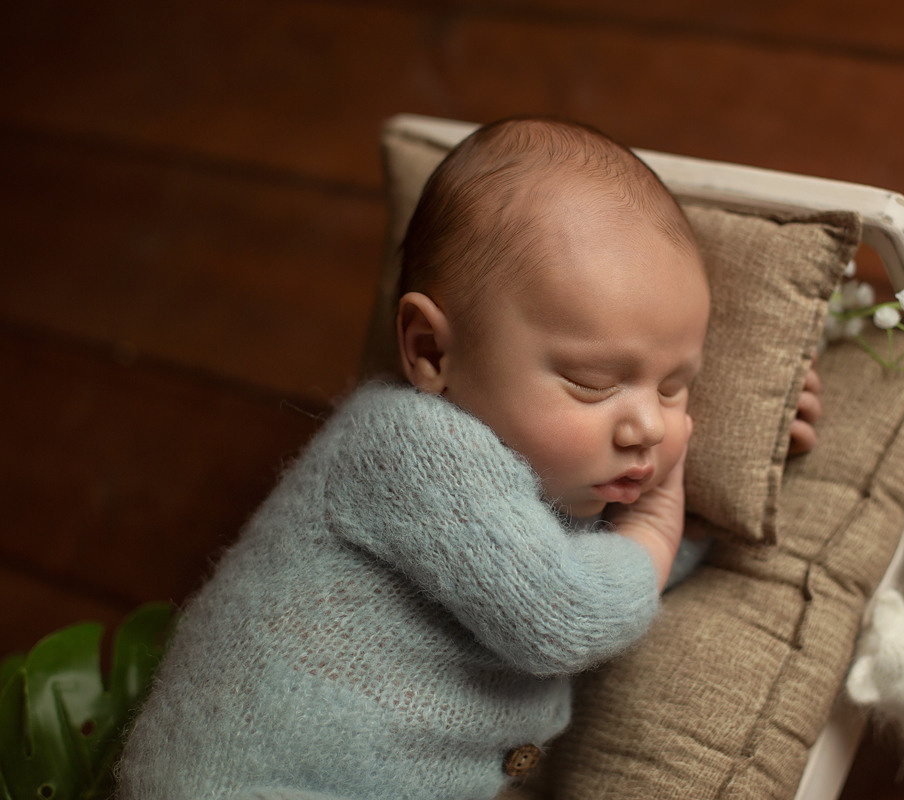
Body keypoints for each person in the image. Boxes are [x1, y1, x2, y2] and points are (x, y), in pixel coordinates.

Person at [117, 117, 821, 800]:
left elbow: (615, 574)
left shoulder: (550, 487)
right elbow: (570, 607)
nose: (648, 426)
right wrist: (661, 525)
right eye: (593, 382)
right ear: (431, 352)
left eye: (675, 387)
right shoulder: (409, 449)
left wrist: (734, 481)